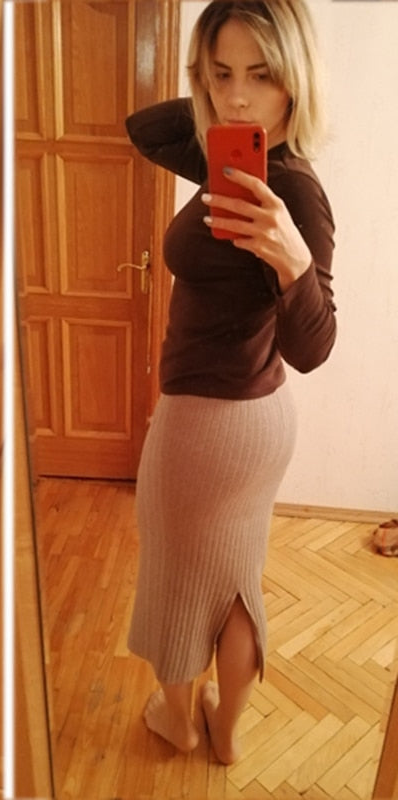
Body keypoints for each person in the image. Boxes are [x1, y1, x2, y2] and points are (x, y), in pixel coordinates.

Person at [125, 0, 335, 764]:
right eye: (221, 74)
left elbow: (315, 347)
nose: (239, 97)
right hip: (258, 421)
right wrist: (215, 113)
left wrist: (295, 262)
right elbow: (142, 128)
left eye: (262, 75)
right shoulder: (237, 165)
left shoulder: (296, 194)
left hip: (204, 425)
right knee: (237, 582)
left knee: (177, 585)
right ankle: (227, 732)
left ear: (296, 78)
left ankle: (179, 721)